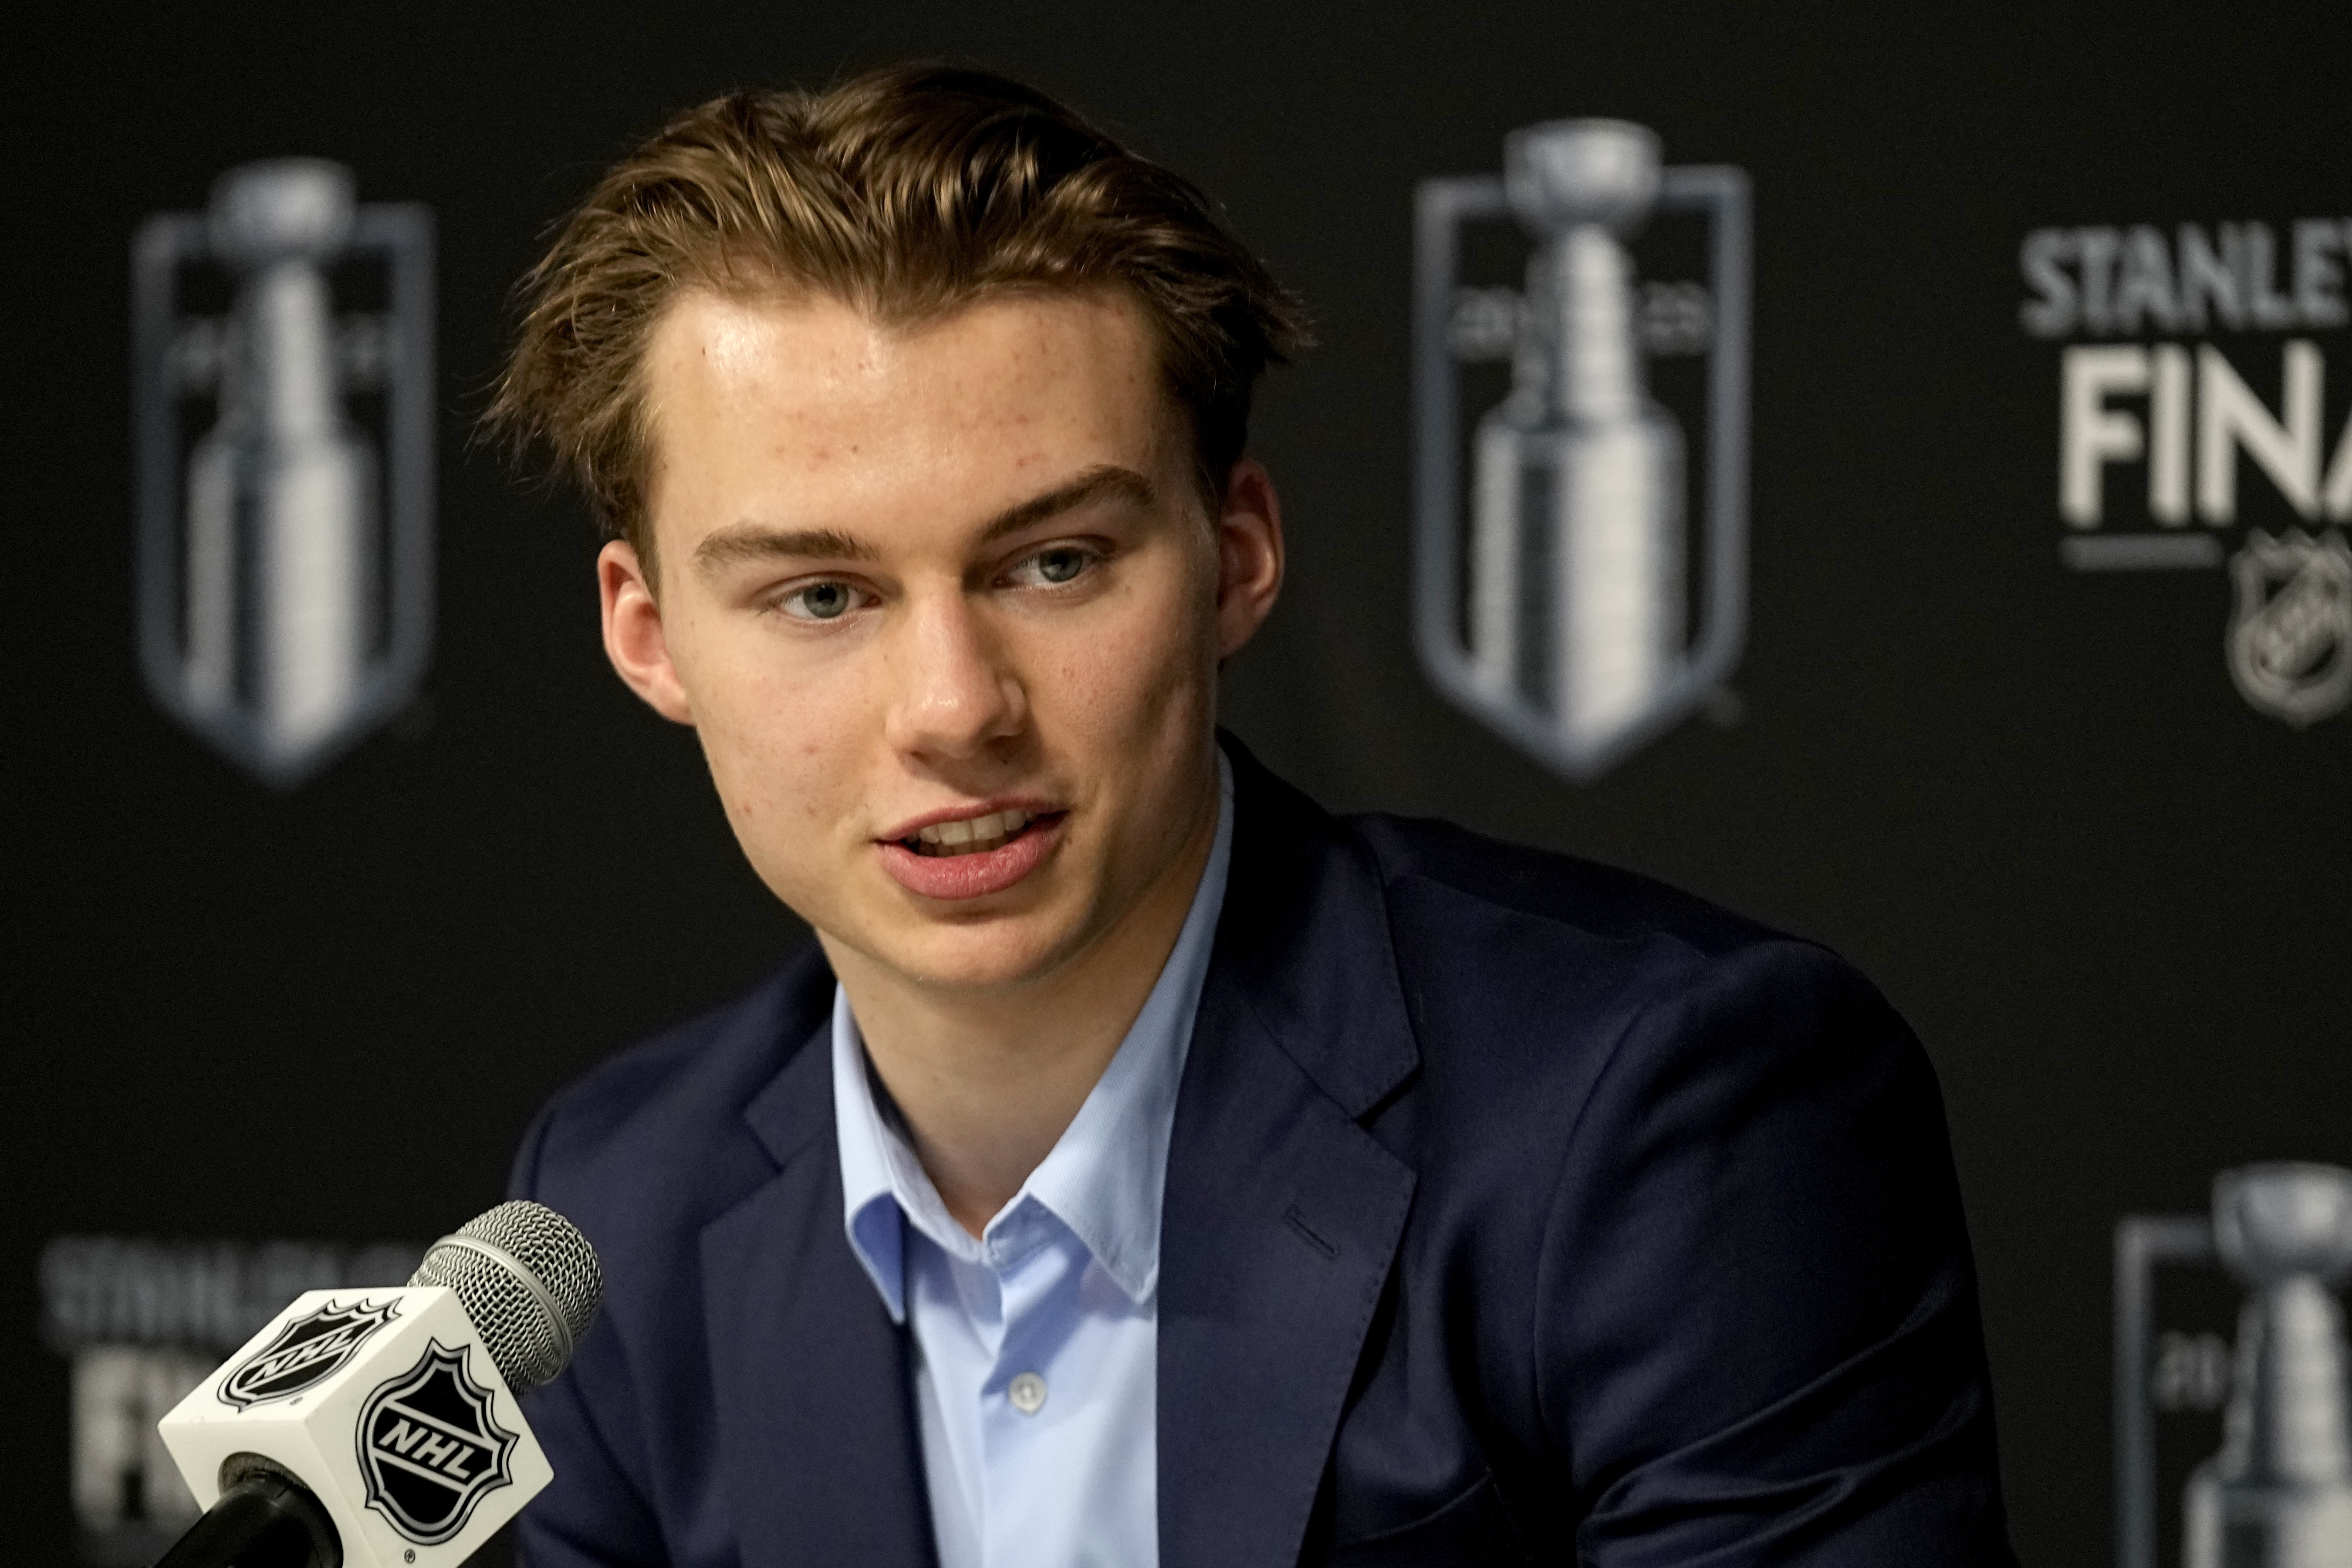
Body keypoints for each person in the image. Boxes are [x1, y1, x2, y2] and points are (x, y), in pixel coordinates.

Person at [485, 63, 2014, 1568]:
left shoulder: (1666, 1120)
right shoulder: (613, 1211)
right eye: (821, 595)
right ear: (650, 636)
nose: (954, 708)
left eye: (1055, 563)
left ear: (1238, 556)